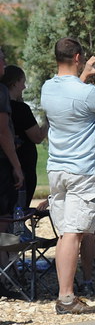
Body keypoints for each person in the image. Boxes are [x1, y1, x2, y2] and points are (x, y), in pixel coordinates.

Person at [40, 38, 95, 315]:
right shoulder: (87, 94)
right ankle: (66, 297)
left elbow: (72, 92)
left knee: (66, 233)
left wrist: (84, 74)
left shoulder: (48, 88)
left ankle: (66, 293)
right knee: (73, 235)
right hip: (82, 171)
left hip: (57, 170)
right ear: (78, 56)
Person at [1, 64, 47, 204]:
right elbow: (37, 136)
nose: (24, 87)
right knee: (17, 210)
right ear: (14, 83)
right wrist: (49, 120)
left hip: (6, 166)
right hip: (22, 167)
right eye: (23, 82)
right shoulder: (21, 109)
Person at [0, 47, 25, 222]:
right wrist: (17, 165)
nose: (4, 63)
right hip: (2, 164)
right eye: (2, 59)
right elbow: (3, 131)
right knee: (4, 218)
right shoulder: (1, 91)